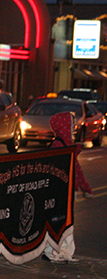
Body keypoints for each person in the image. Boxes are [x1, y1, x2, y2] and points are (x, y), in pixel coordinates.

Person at [42, 111, 93, 263]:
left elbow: (75, 169)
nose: (73, 128)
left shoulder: (65, 145)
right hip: (61, 191)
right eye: (71, 125)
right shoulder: (58, 145)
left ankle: (63, 251)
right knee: (59, 221)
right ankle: (54, 252)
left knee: (66, 222)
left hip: (69, 190)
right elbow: (64, 169)